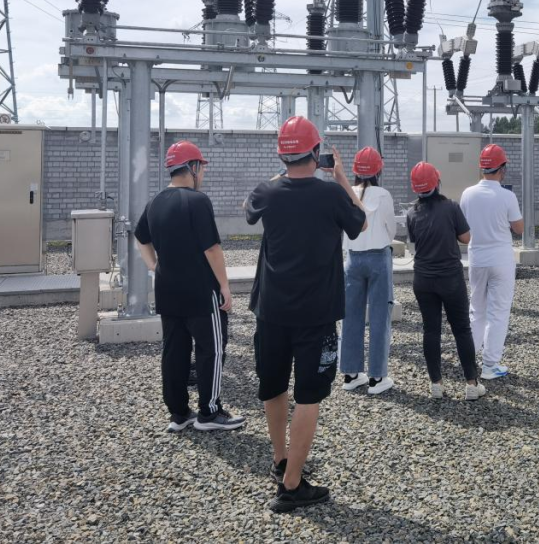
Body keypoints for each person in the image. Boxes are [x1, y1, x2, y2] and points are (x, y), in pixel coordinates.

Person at [245, 116, 366, 512]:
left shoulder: (268, 191)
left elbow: (249, 207)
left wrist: (283, 171)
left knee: (274, 386)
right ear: (316, 152)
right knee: (309, 395)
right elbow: (361, 222)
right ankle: (292, 485)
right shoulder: (330, 195)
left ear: (282, 155)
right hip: (316, 313)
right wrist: (342, 178)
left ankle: (281, 460)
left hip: (271, 310)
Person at [134, 141, 245, 433]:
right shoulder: (198, 201)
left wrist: (154, 265)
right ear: (192, 168)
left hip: (167, 289)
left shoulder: (155, 202)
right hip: (201, 291)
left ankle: (179, 412)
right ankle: (210, 412)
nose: (203, 173)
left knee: (175, 351)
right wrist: (225, 286)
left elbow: (141, 238)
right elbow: (212, 249)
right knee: (212, 350)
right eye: (202, 167)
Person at [406, 162, 484, 400]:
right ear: (437, 183)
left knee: (431, 330)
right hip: (450, 277)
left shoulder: (411, 213)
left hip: (423, 279)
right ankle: (471, 384)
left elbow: (413, 241)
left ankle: (436, 385)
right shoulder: (451, 207)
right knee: (461, 329)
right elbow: (466, 238)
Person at [459, 144, 523, 380]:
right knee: (498, 312)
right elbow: (519, 228)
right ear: (502, 168)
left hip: (477, 258)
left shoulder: (467, 194)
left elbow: (462, 228)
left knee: (476, 310)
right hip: (501, 260)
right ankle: (490, 365)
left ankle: (469, 360)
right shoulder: (507, 196)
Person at [340, 147, 397, 396]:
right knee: (379, 316)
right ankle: (377, 377)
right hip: (378, 258)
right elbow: (391, 229)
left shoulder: (347, 192)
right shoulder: (383, 194)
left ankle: (351, 374)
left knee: (351, 316)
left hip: (352, 259)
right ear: (378, 170)